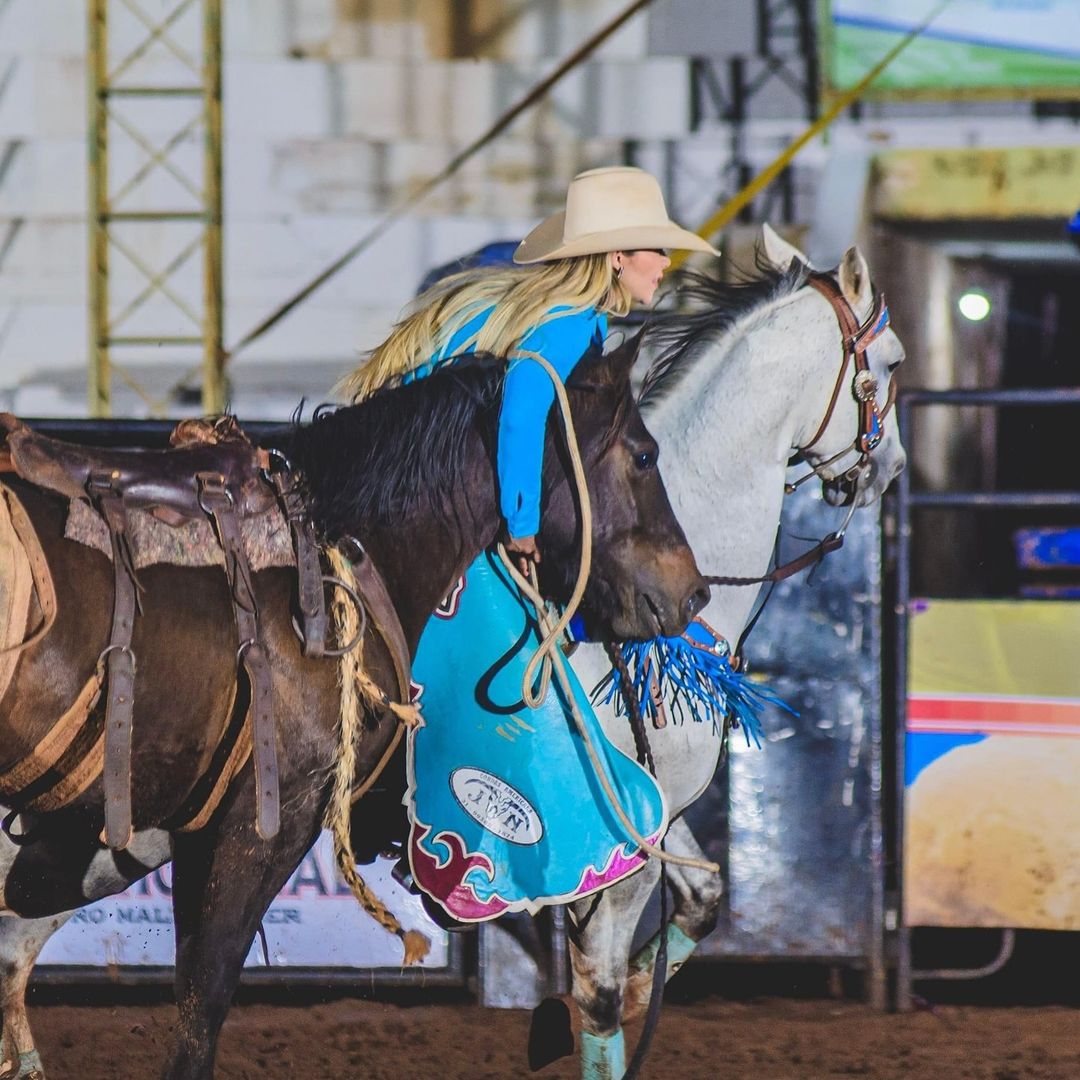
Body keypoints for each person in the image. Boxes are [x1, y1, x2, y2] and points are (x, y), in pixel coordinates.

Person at [338, 166, 718, 923]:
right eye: (652, 250)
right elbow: (521, 409)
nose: (665, 265)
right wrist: (518, 522)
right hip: (434, 493)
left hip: (400, 477)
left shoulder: (552, 310)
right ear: (615, 259)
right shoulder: (576, 321)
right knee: (500, 644)